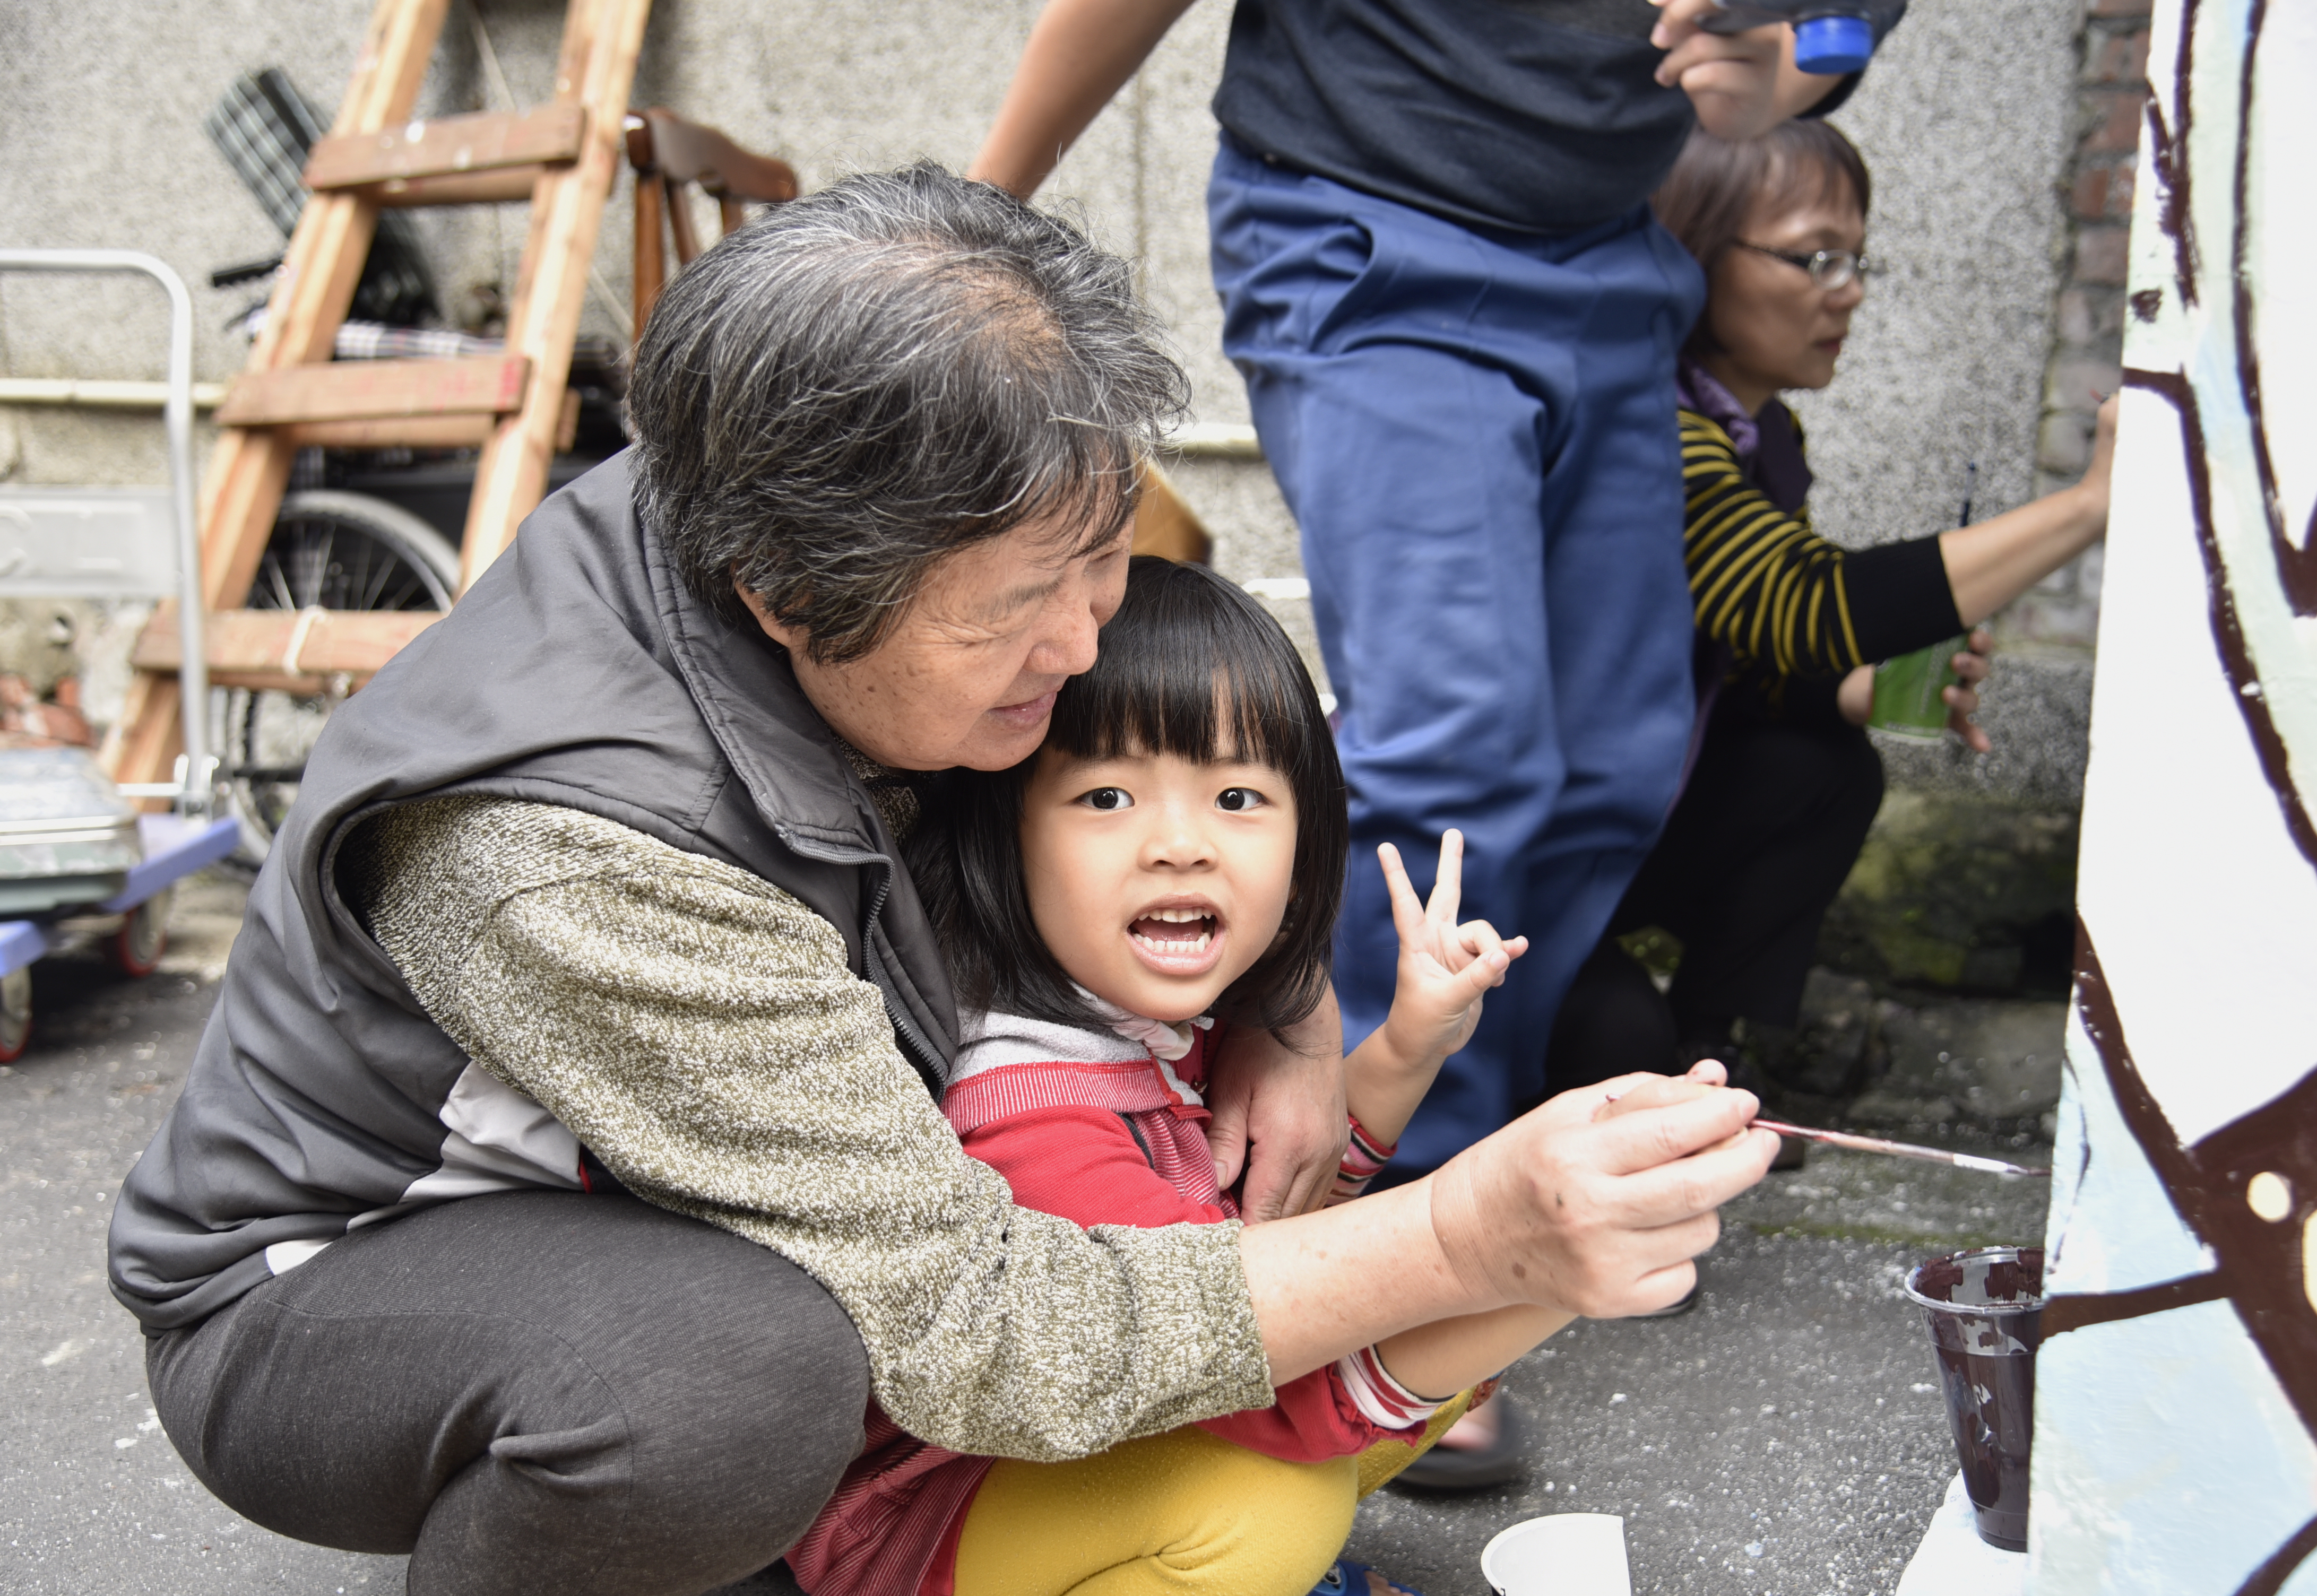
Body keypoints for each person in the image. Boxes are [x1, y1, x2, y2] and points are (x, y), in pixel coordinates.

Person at [106, 164, 1776, 1595]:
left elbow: (1165, 721)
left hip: (663, 1167)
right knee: (736, 1379)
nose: (1085, 636)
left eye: (1107, 554)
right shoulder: (566, 857)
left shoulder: (884, 465)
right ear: (784, 591)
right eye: (1020, 610)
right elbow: (987, 1330)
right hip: (331, 1286)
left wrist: (1287, 1000)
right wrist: (1473, 1233)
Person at [970, 0, 1906, 1492]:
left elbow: (1841, 18)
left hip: (1612, 249)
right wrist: (984, 208)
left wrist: (1808, 61)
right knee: (1463, 751)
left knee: (1613, 760)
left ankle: (1460, 1179)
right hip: (1370, 217)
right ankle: (1383, 1256)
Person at [797, 556, 1564, 1596]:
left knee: (1396, 1350)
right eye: (1106, 794)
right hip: (930, 1523)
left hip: (1096, 1450)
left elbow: (1293, 1210)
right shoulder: (1028, 1107)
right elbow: (1265, 1378)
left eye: (1238, 795)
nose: (1180, 845)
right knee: (1272, 1507)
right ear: (1002, 833)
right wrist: (1546, 1255)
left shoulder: (1141, 1017)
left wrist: (1407, 1047)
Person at [1544, 120, 2121, 1105]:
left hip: (1628, 819)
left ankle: (1711, 1057)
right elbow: (1801, 602)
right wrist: (2089, 505)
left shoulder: (1759, 434)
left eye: (1856, 259)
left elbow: (1751, 647)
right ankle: (1647, 1054)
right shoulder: (1644, 429)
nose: (1846, 289)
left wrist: (1859, 690)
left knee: (1824, 771)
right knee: (1613, 1050)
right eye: (1814, 256)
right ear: (1688, 254)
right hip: (1528, 857)